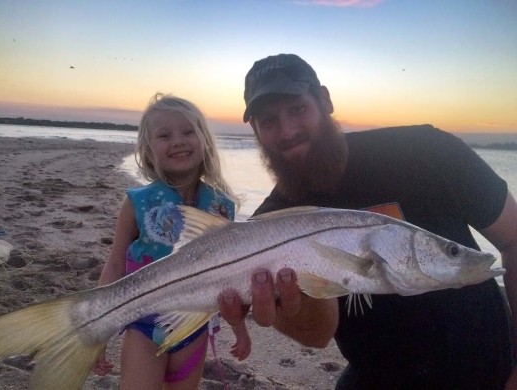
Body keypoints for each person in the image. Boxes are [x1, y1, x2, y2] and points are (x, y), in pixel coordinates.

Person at [219, 54, 517, 389]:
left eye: (297, 109)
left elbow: (513, 237)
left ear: (325, 100)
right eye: (268, 121)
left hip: (490, 370)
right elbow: (318, 336)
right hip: (375, 376)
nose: (287, 131)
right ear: (256, 131)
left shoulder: (425, 151)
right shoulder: (265, 228)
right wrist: (285, 302)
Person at [93, 93, 251, 390]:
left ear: (204, 140)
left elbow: (231, 275)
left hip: (196, 328)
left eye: (188, 132)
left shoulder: (220, 208)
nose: (178, 141)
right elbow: (114, 266)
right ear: (149, 150)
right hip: (145, 326)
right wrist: (100, 331)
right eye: (165, 135)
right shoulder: (136, 204)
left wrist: (239, 326)